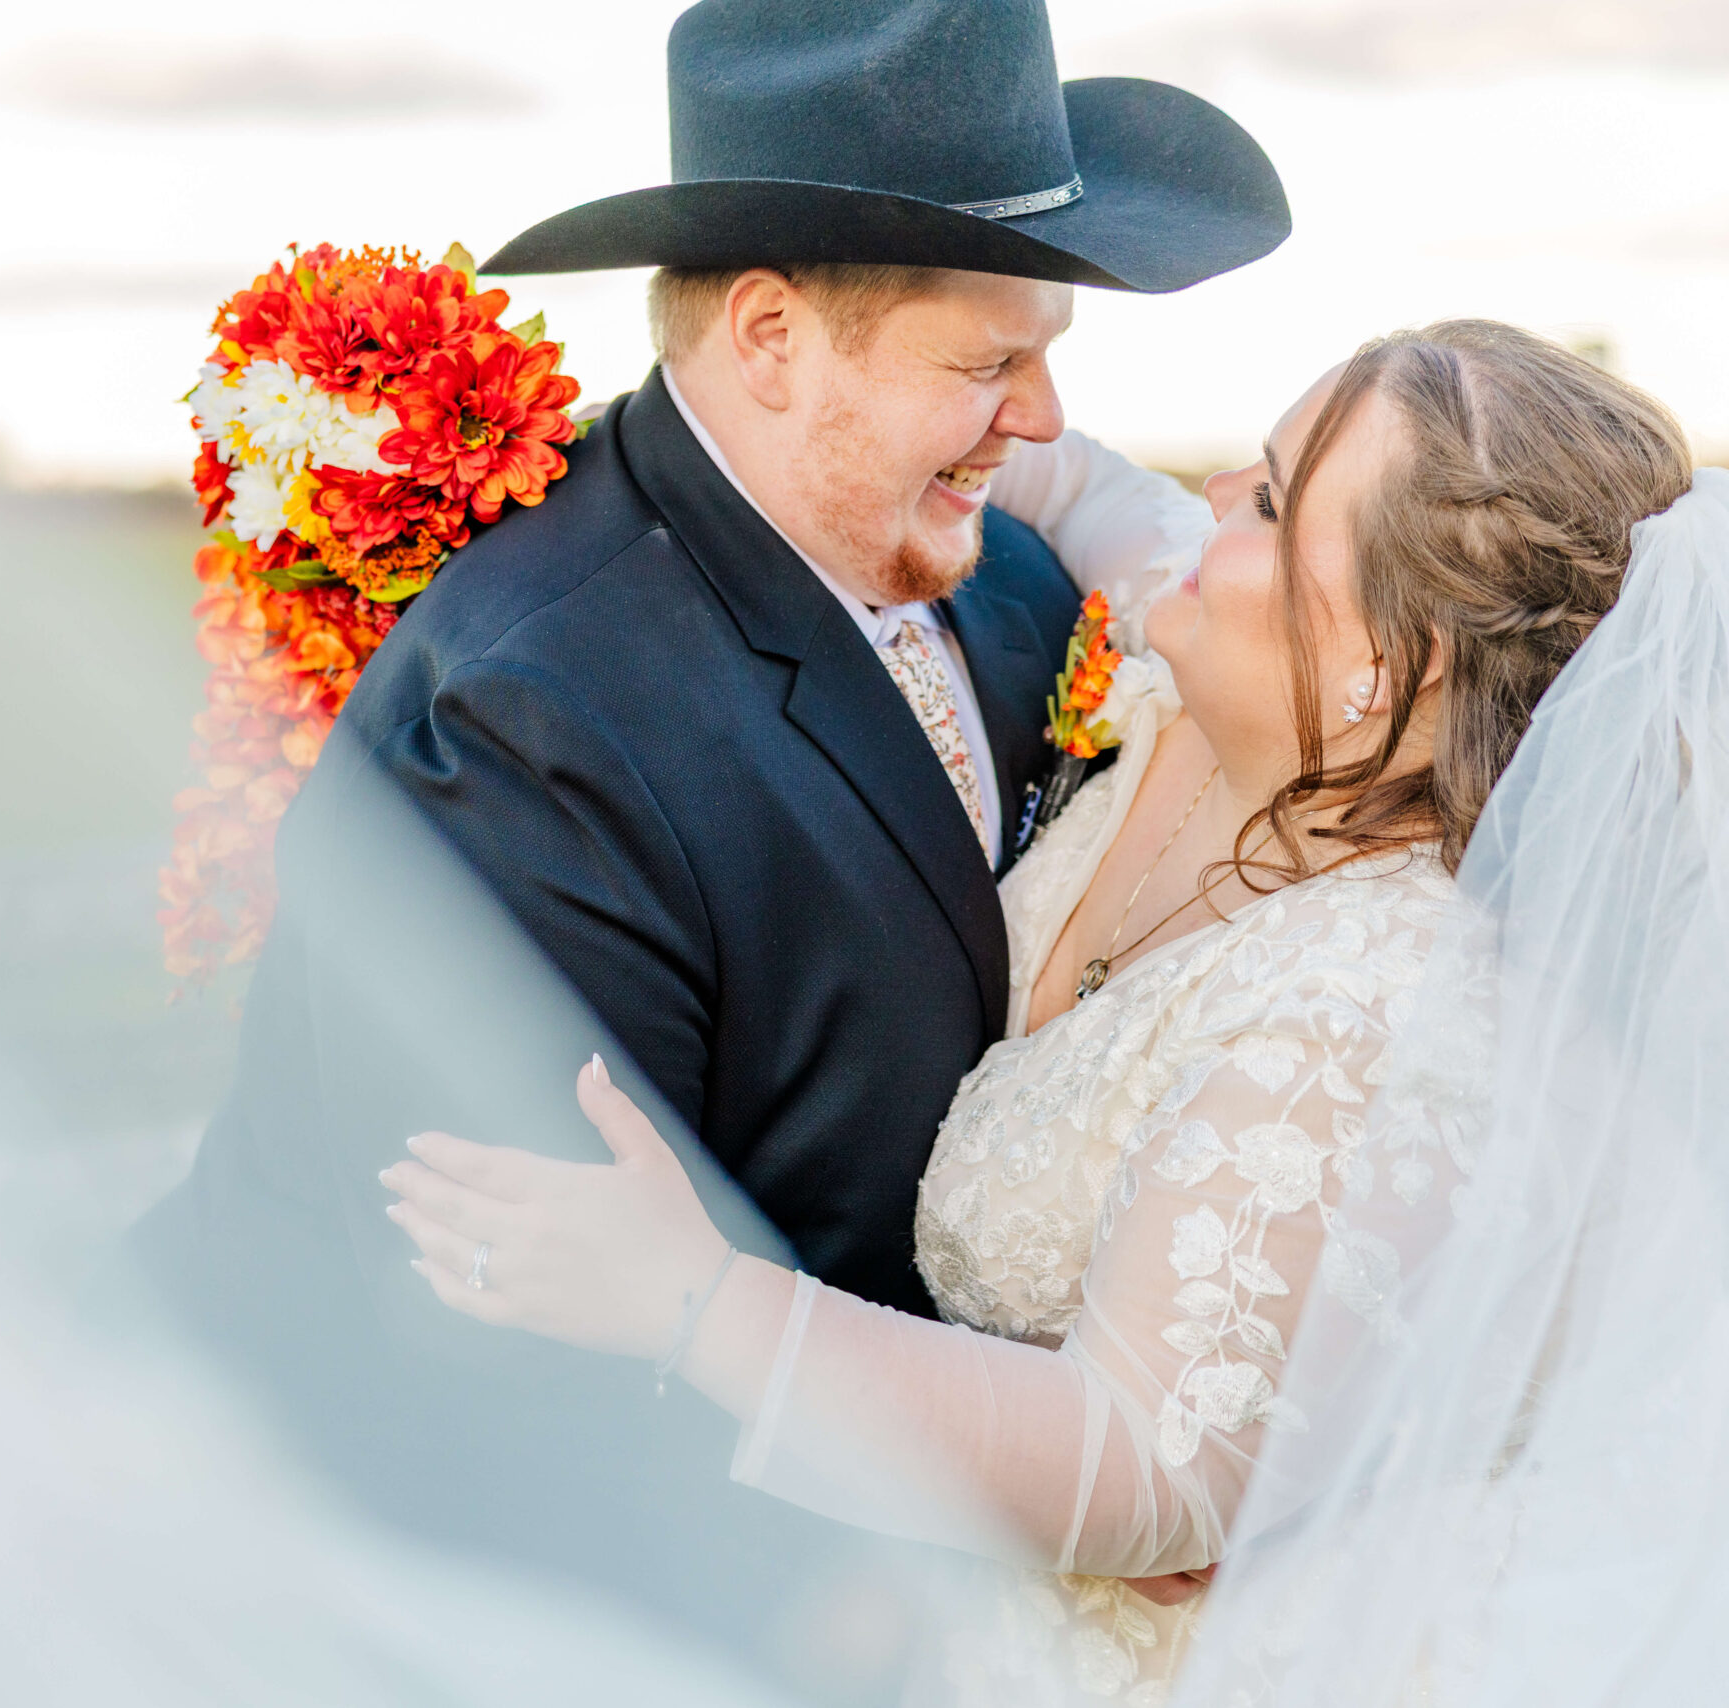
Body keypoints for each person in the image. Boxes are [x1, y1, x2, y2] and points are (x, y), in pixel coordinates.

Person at [129, 0, 1288, 1660]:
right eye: (988, 362)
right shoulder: (533, 721)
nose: (1040, 421)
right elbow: (513, 1343)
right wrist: (964, 1563)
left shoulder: (1012, 589)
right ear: (767, 338)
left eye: (1048, 359)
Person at [380, 319, 1699, 1702]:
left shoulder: (1380, 1011)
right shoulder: (1188, 692)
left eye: (1267, 497)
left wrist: (693, 1306)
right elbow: (1071, 482)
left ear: (1397, 658)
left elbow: (1150, 1468)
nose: (1208, 503)